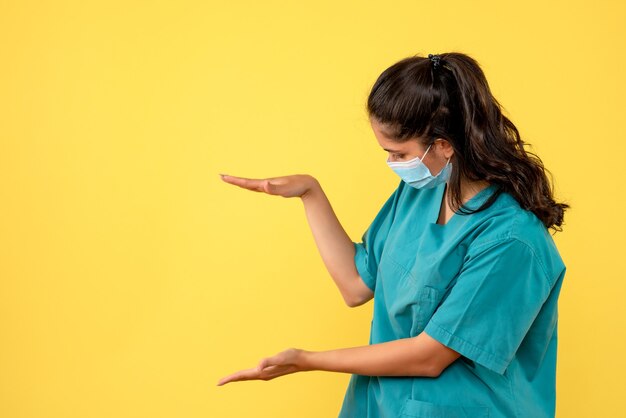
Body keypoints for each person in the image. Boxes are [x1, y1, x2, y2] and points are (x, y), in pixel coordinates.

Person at [216, 52, 569, 418]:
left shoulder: (512, 240)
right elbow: (355, 285)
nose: (393, 165)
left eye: (399, 154)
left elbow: (430, 357)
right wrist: (310, 193)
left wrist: (307, 360)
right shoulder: (421, 193)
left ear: (444, 145)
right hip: (384, 406)